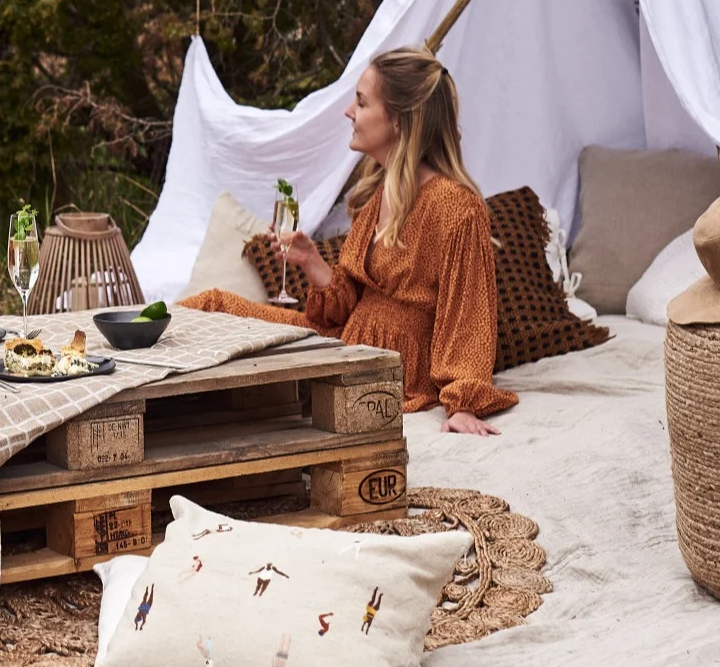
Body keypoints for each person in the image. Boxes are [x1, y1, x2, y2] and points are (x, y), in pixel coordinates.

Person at [181, 47, 517, 435]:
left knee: (232, 330)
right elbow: (346, 305)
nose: (348, 112)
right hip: (347, 340)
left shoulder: (456, 206)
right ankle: (119, 359)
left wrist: (463, 405)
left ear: (398, 120)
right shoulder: (379, 191)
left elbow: (468, 312)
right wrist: (312, 263)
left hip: (389, 366)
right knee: (213, 305)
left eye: (361, 102)